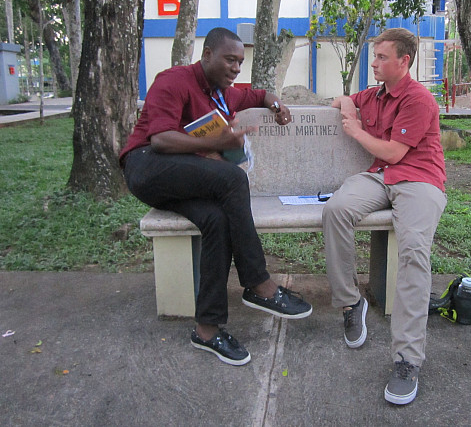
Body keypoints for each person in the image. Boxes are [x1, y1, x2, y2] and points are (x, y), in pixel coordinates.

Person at [120, 27, 312, 366]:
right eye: (229, 59)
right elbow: (161, 140)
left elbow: (259, 95)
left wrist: (278, 105)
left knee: (217, 220)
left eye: (240, 61)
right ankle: (258, 283)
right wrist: (218, 144)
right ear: (207, 55)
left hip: (180, 180)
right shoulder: (173, 80)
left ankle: (206, 330)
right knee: (233, 179)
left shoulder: (225, 93)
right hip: (145, 166)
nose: (236, 67)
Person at [323, 28, 446, 404]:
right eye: (373, 56)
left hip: (419, 181)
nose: (373, 63)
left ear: (403, 61)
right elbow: (342, 98)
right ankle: (351, 302)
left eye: (381, 58)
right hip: (380, 178)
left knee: (412, 251)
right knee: (336, 210)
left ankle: (407, 360)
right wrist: (348, 107)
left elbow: (394, 152)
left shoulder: (419, 99)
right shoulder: (375, 93)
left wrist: (357, 130)